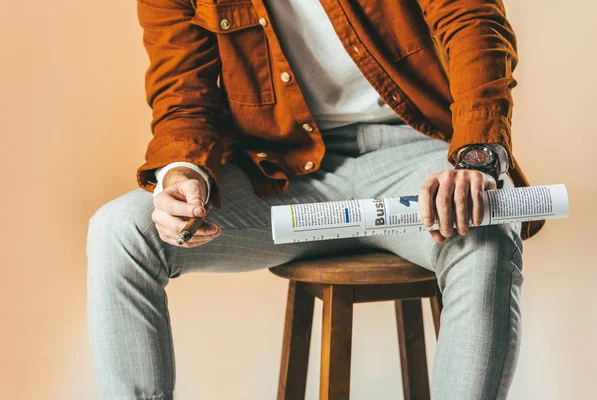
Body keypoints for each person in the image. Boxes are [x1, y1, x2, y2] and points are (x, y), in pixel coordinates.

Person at [86, 0, 544, 399]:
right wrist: (185, 172)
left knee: (482, 223)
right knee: (119, 232)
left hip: (417, 149)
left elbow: (471, 19)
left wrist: (477, 158)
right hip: (283, 173)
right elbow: (182, 95)